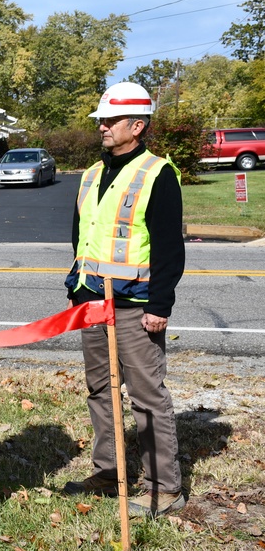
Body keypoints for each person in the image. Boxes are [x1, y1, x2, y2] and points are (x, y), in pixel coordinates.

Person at [61, 81, 186, 517]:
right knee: (100, 390)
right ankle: (109, 471)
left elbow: (171, 248)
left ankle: (164, 488)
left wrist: (160, 306)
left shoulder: (157, 173)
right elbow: (82, 235)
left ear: (138, 125)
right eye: (101, 120)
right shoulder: (93, 173)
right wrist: (77, 290)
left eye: (111, 120)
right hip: (93, 301)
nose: (103, 127)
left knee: (147, 396)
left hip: (136, 306)